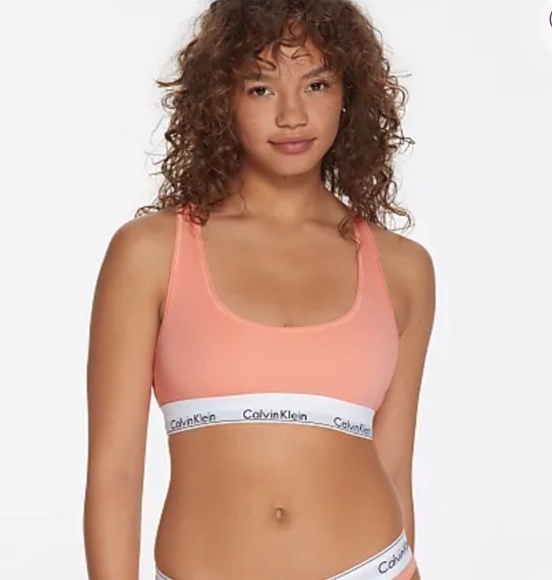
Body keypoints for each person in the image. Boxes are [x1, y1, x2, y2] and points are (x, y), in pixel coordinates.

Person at [83, 0, 436, 578]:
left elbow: (395, 468)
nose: (292, 115)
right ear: (220, 99)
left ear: (349, 95)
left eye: (316, 84)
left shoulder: (402, 268)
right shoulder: (150, 253)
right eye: (261, 88)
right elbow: (115, 472)